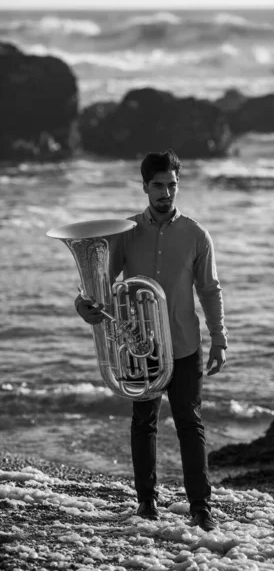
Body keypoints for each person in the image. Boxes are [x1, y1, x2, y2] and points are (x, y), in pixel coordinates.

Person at [75, 149, 228, 532]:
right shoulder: (124, 232)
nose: (166, 193)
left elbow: (210, 290)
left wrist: (219, 337)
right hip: (141, 345)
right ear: (144, 186)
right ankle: (147, 503)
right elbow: (99, 285)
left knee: (190, 425)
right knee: (143, 424)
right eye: (158, 185)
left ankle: (201, 509)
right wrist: (83, 304)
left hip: (184, 345)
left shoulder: (196, 235)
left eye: (172, 186)